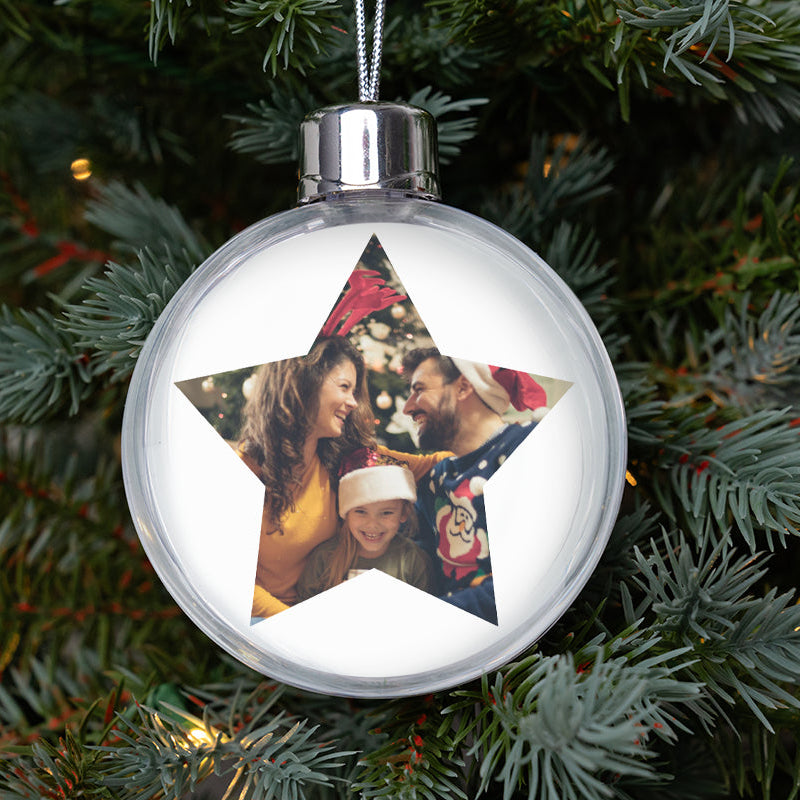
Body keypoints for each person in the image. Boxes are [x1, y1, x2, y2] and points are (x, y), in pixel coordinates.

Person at [240, 337, 446, 619]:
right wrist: (293, 625)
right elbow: (230, 581)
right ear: (305, 384)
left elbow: (432, 464)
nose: (352, 402)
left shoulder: (347, 457)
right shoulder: (247, 468)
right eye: (344, 387)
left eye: (354, 390)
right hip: (266, 621)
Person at [401, 348, 546, 624]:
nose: (408, 407)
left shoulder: (526, 448)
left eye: (419, 390)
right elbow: (412, 557)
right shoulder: (434, 481)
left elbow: (528, 583)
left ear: (463, 387)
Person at [296, 448, 432, 601]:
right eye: (361, 512)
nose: (372, 525)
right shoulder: (324, 558)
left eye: (386, 513)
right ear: (346, 513)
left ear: (403, 513)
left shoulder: (413, 560)